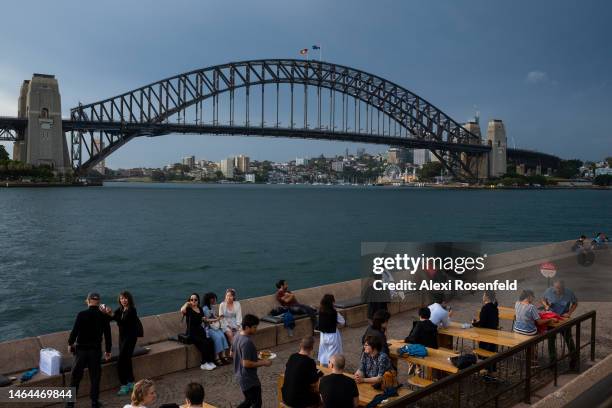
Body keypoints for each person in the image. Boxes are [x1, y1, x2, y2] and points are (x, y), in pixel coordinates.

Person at [66, 292, 112, 408]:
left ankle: (70, 404)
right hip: (95, 352)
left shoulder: (81, 314)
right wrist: (108, 350)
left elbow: (74, 331)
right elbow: (108, 335)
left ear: (88, 301)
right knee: (95, 378)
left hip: (80, 351)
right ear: (99, 302)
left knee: (75, 378)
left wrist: (70, 343)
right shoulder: (103, 316)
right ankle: (94, 402)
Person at [232, 314, 272, 408]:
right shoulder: (247, 342)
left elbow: (232, 353)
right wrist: (264, 362)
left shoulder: (236, 336)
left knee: (249, 400)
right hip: (248, 377)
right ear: (246, 327)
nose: (256, 329)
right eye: (254, 327)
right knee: (256, 402)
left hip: (240, 374)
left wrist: (255, 355)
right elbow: (246, 363)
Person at [109, 290, 141, 396]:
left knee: (121, 361)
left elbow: (123, 322)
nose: (123, 300)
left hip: (130, 337)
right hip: (122, 337)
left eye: (125, 298)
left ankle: (124, 385)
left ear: (129, 299)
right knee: (127, 359)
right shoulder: (121, 309)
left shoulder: (132, 310)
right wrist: (106, 312)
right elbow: (112, 317)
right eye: (121, 298)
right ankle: (131, 382)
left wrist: (112, 314)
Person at [541, 280, 578, 369]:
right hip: (552, 318)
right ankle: (552, 361)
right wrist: (546, 305)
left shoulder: (569, 292)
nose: (557, 290)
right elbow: (542, 299)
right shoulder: (549, 290)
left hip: (563, 318)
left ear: (563, 287)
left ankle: (574, 358)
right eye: (556, 288)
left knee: (568, 338)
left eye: (559, 288)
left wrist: (569, 313)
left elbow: (575, 303)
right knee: (551, 340)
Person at [282, 336, 322, 408]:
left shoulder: (292, 356)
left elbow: (287, 368)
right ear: (311, 348)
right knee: (318, 398)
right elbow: (313, 381)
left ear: (300, 345)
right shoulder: (309, 361)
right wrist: (319, 373)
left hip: (285, 396)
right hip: (297, 401)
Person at [180, 293, 216, 370]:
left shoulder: (200, 309)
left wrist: (216, 319)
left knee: (210, 341)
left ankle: (210, 361)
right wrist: (187, 303)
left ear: (198, 300)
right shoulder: (188, 310)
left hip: (200, 331)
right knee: (204, 343)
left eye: (195, 299)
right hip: (192, 333)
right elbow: (182, 310)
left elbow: (204, 319)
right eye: (191, 299)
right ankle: (203, 363)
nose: (193, 301)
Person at [471, 291, 499, 372]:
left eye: (484, 294)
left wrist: (474, 323)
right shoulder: (495, 307)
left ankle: (484, 371)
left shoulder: (485, 308)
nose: (483, 296)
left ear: (487, 297)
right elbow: (495, 321)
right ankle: (491, 372)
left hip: (485, 335)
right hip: (493, 334)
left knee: (484, 353)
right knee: (492, 353)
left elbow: (482, 323)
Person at [317, 294, 345, 367]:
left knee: (323, 355)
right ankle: (331, 374)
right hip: (333, 336)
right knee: (333, 358)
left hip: (323, 336)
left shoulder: (320, 312)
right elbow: (342, 322)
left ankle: (321, 372)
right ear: (331, 302)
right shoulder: (334, 312)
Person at [202, 292, 230, 365]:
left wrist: (218, 317)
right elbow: (206, 320)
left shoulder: (212, 307)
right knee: (217, 338)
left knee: (222, 336)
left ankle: (223, 355)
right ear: (209, 299)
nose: (215, 300)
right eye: (213, 299)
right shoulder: (204, 309)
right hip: (208, 328)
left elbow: (213, 316)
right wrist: (216, 320)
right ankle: (216, 356)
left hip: (215, 327)